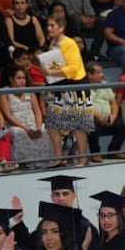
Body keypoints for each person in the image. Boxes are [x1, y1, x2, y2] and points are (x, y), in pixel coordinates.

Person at [41, 16, 94, 166]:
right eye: (48, 25)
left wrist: (50, 73)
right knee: (52, 123)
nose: (49, 28)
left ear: (61, 27)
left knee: (78, 124)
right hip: (59, 86)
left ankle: (82, 157)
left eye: (52, 25)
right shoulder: (53, 43)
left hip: (76, 86)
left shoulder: (69, 43)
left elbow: (72, 69)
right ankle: (59, 157)